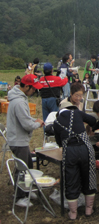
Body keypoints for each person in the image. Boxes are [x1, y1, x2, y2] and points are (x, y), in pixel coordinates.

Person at [54, 95, 97, 220]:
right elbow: (93, 121)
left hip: (70, 152)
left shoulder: (56, 123)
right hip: (85, 149)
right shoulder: (77, 113)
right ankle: (89, 210)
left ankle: (73, 213)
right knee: (89, 177)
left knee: (71, 179)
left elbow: (59, 142)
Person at [7, 74, 45, 207]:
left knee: (28, 165)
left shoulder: (20, 98)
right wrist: (38, 124)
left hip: (21, 139)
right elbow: (26, 124)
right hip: (18, 140)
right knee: (22, 169)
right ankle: (19, 196)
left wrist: (34, 120)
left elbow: (26, 119)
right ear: (26, 86)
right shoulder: (18, 102)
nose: (35, 91)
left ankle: (27, 190)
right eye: (33, 88)